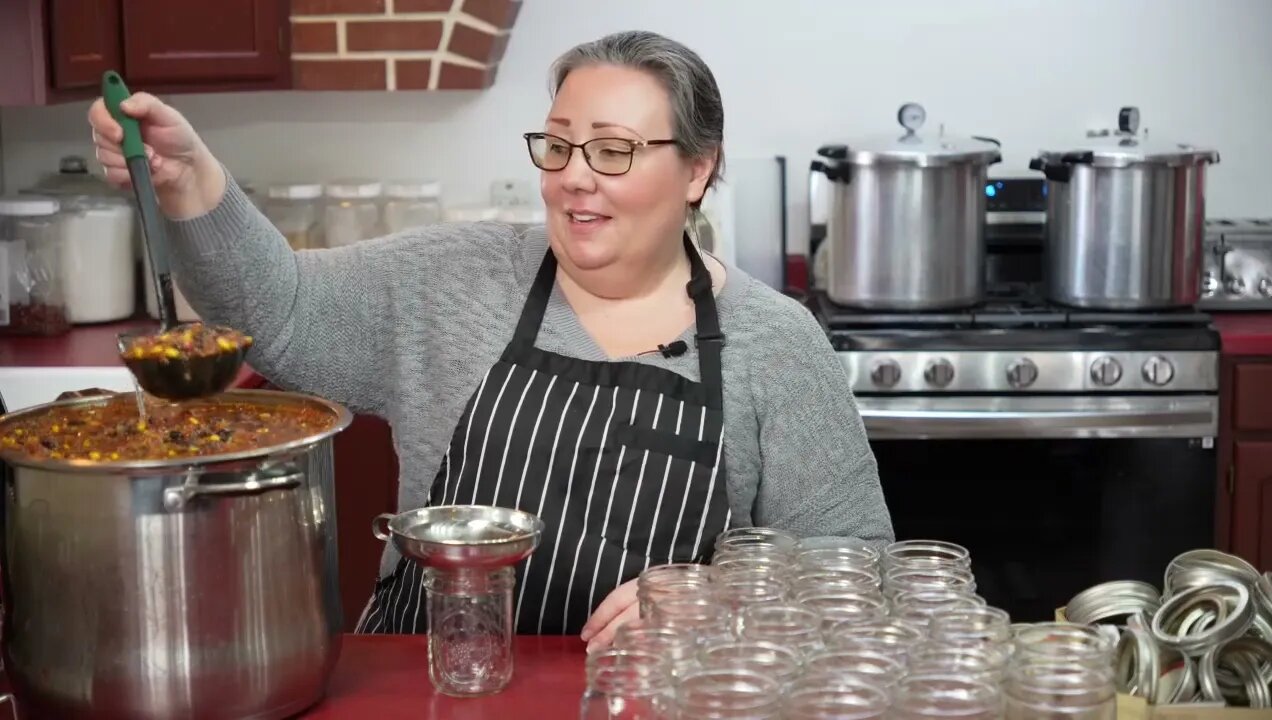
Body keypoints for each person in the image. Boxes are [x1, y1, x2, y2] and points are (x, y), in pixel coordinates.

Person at [87, 30, 892, 651]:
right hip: (431, 683)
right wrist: (192, 183)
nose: (575, 175)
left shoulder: (775, 343)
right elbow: (280, 310)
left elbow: (863, 566)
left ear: (696, 170)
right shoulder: (453, 278)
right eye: (559, 143)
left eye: (613, 151)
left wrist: (731, 599)